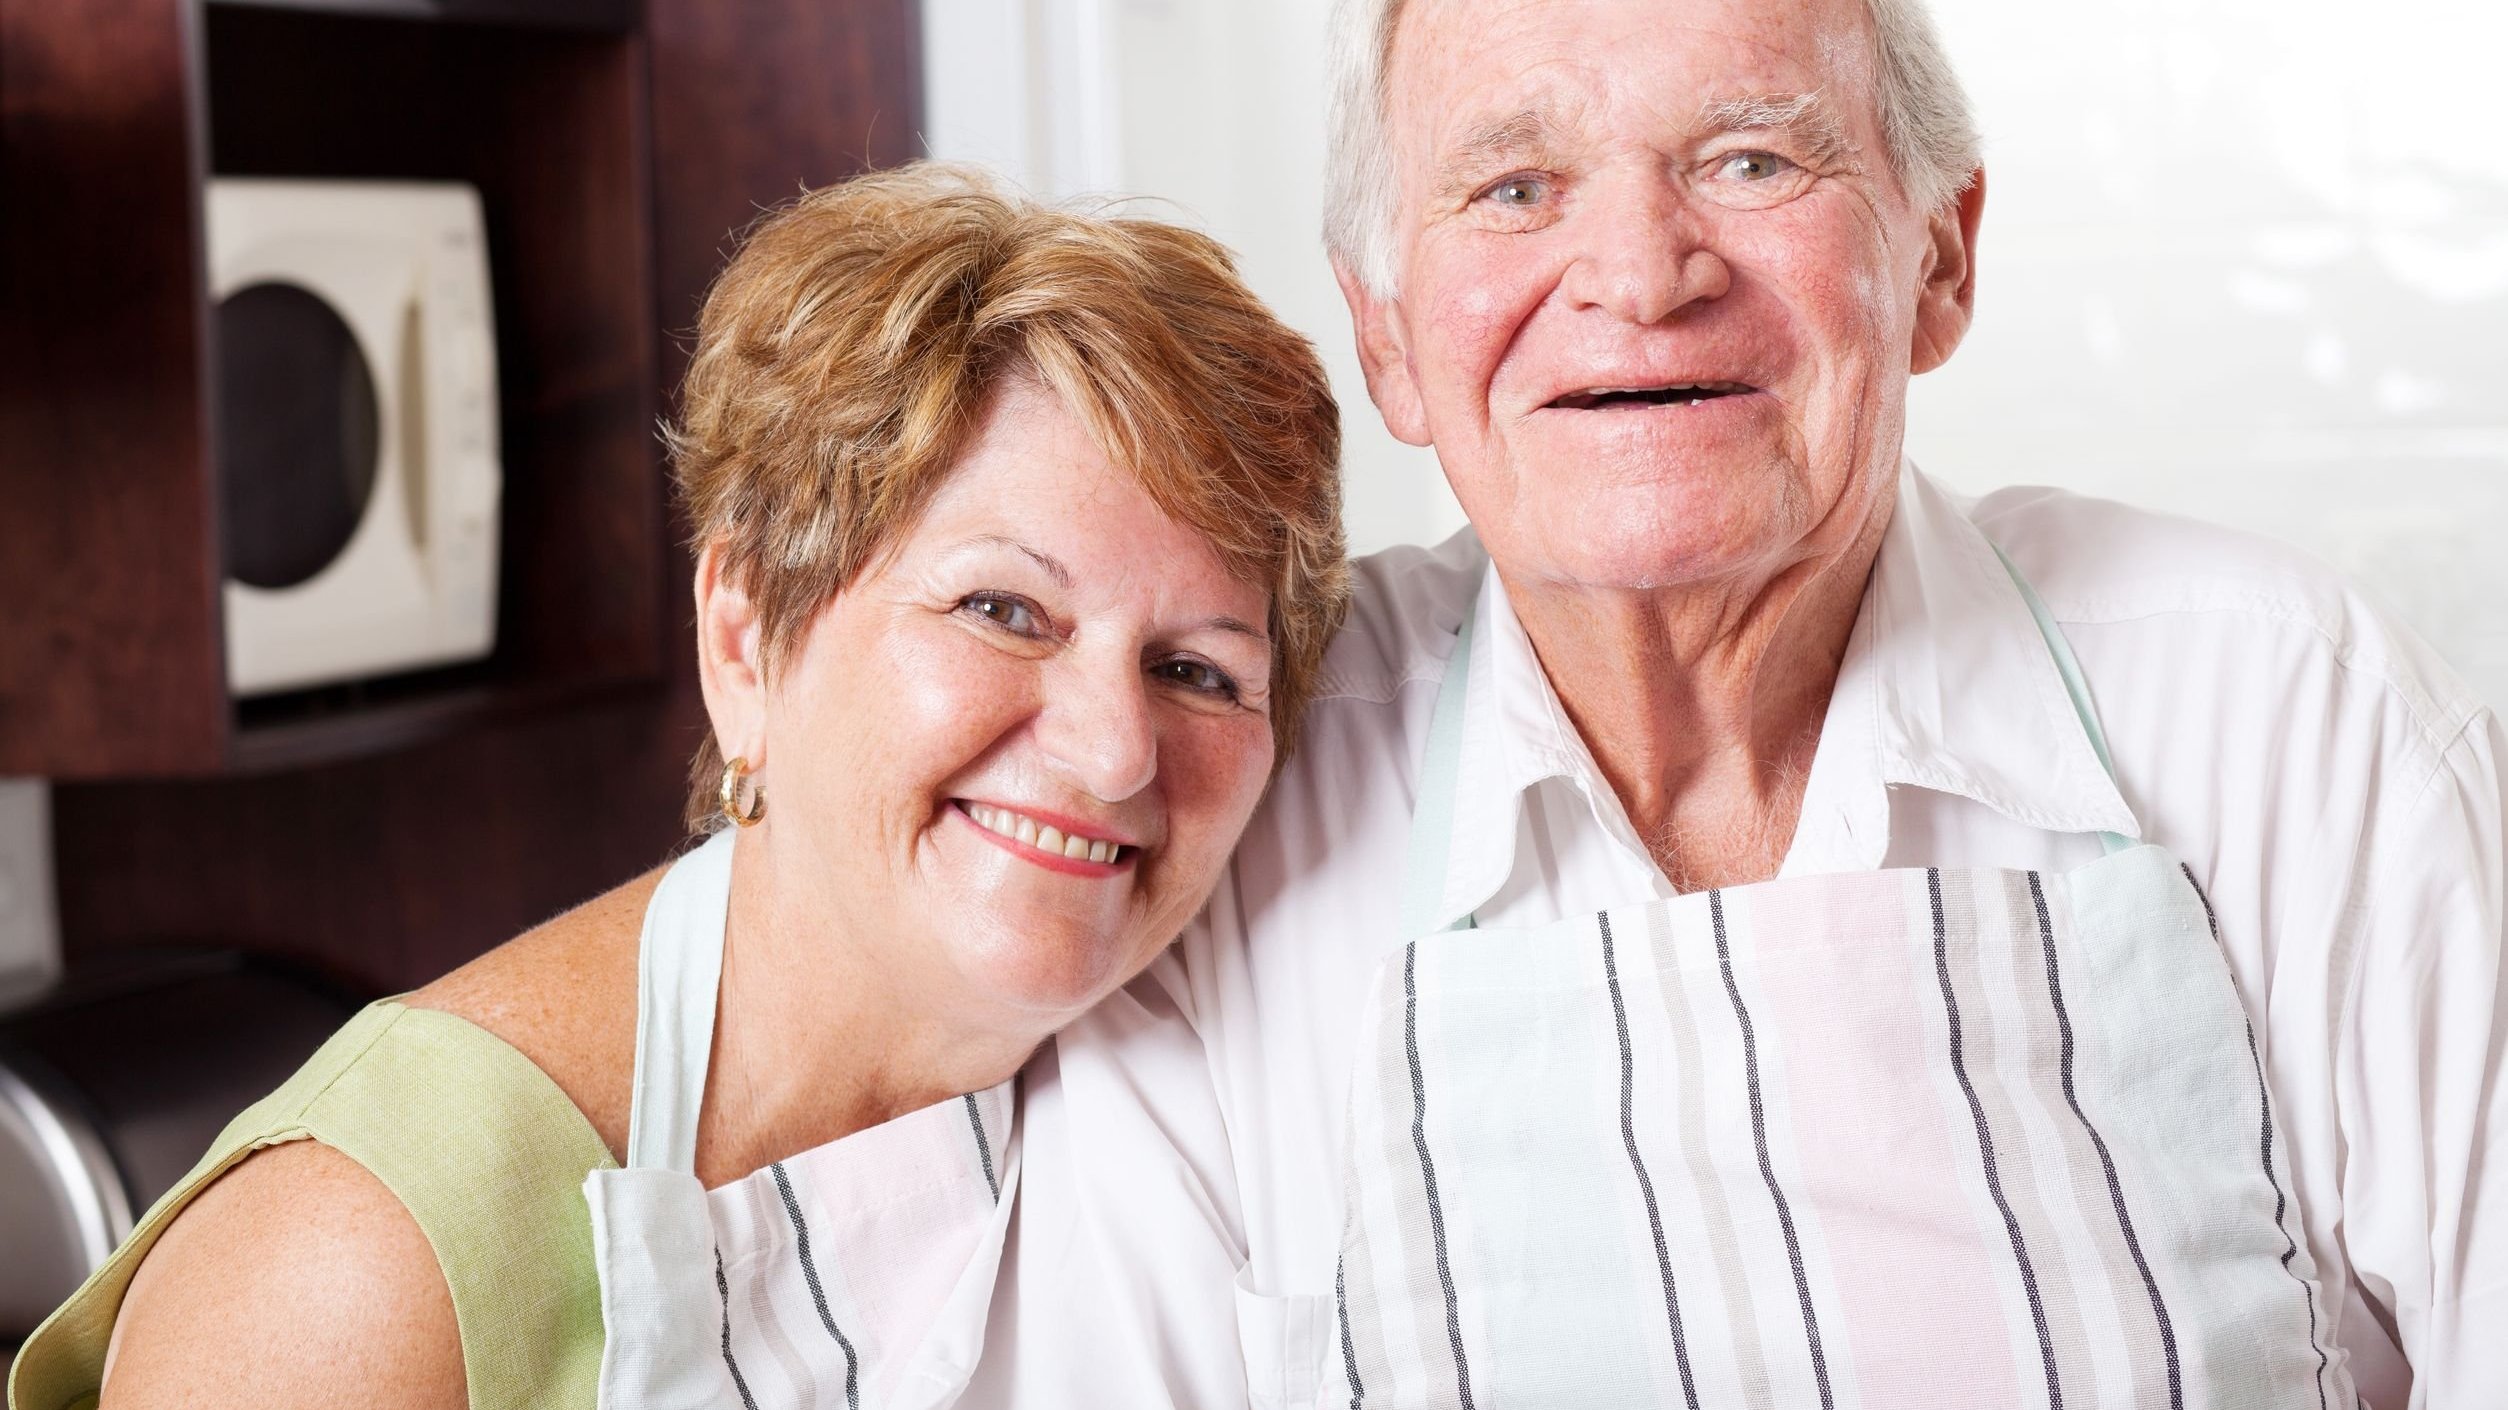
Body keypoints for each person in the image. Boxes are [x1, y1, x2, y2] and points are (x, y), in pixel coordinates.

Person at [793, 1, 2508, 1406]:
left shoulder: (2300, 720)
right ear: (1388, 338)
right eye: (1516, 187)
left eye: (1751, 158)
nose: (1639, 267)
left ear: (1942, 257)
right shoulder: (1230, 780)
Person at [6, 163, 1347, 1410]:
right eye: (1004, 607)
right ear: (746, 638)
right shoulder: (350, 1265)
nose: (1118, 749)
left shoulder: (1169, 1090)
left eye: (1198, 668)